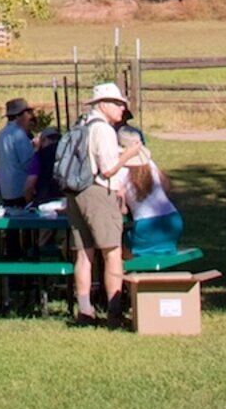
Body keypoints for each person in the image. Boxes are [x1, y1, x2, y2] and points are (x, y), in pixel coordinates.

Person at [63, 81, 132, 323]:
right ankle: (114, 311)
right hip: (98, 193)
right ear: (103, 105)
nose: (122, 108)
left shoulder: (81, 124)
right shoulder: (103, 130)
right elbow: (109, 169)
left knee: (84, 254)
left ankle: (85, 310)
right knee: (112, 252)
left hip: (75, 193)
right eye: (117, 103)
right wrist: (129, 155)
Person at [114, 124, 181, 257]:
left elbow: (121, 207)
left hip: (146, 226)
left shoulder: (120, 171)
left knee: (118, 249)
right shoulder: (150, 164)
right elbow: (166, 186)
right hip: (173, 220)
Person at [0, 97, 40, 208]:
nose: (30, 116)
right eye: (27, 113)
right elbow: (28, 164)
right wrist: (37, 150)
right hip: (21, 190)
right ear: (19, 116)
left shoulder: (1, 134)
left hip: (6, 191)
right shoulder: (19, 134)